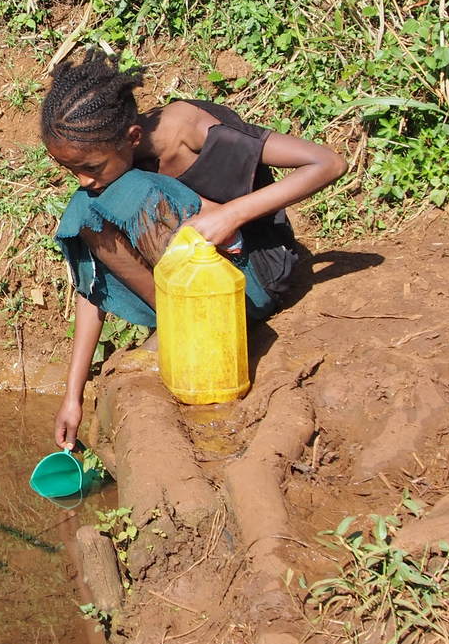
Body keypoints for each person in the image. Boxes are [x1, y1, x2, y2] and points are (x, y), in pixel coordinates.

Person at [45, 49, 347, 449]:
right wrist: (72, 396)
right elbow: (94, 286)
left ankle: (197, 330)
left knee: (132, 191)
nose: (83, 179)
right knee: (84, 209)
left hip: (254, 273)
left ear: (133, 138)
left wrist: (231, 216)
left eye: (91, 168)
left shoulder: (188, 128)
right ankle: (178, 326)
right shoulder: (107, 150)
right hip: (193, 282)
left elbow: (328, 163)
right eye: (70, 170)